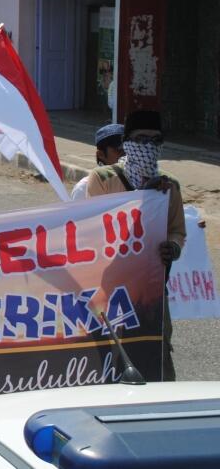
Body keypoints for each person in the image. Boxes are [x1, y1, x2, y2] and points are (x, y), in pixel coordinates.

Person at [85, 109, 185, 381]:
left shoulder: (170, 186)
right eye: (141, 140)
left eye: (155, 141)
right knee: (112, 352)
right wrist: (143, 196)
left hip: (152, 289)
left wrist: (173, 247)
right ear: (127, 142)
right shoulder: (103, 179)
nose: (148, 147)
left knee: (156, 351)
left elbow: (177, 231)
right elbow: (99, 224)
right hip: (111, 286)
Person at [70, 123, 124, 200]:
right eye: (119, 150)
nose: (126, 155)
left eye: (130, 149)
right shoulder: (83, 189)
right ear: (101, 154)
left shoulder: (140, 182)